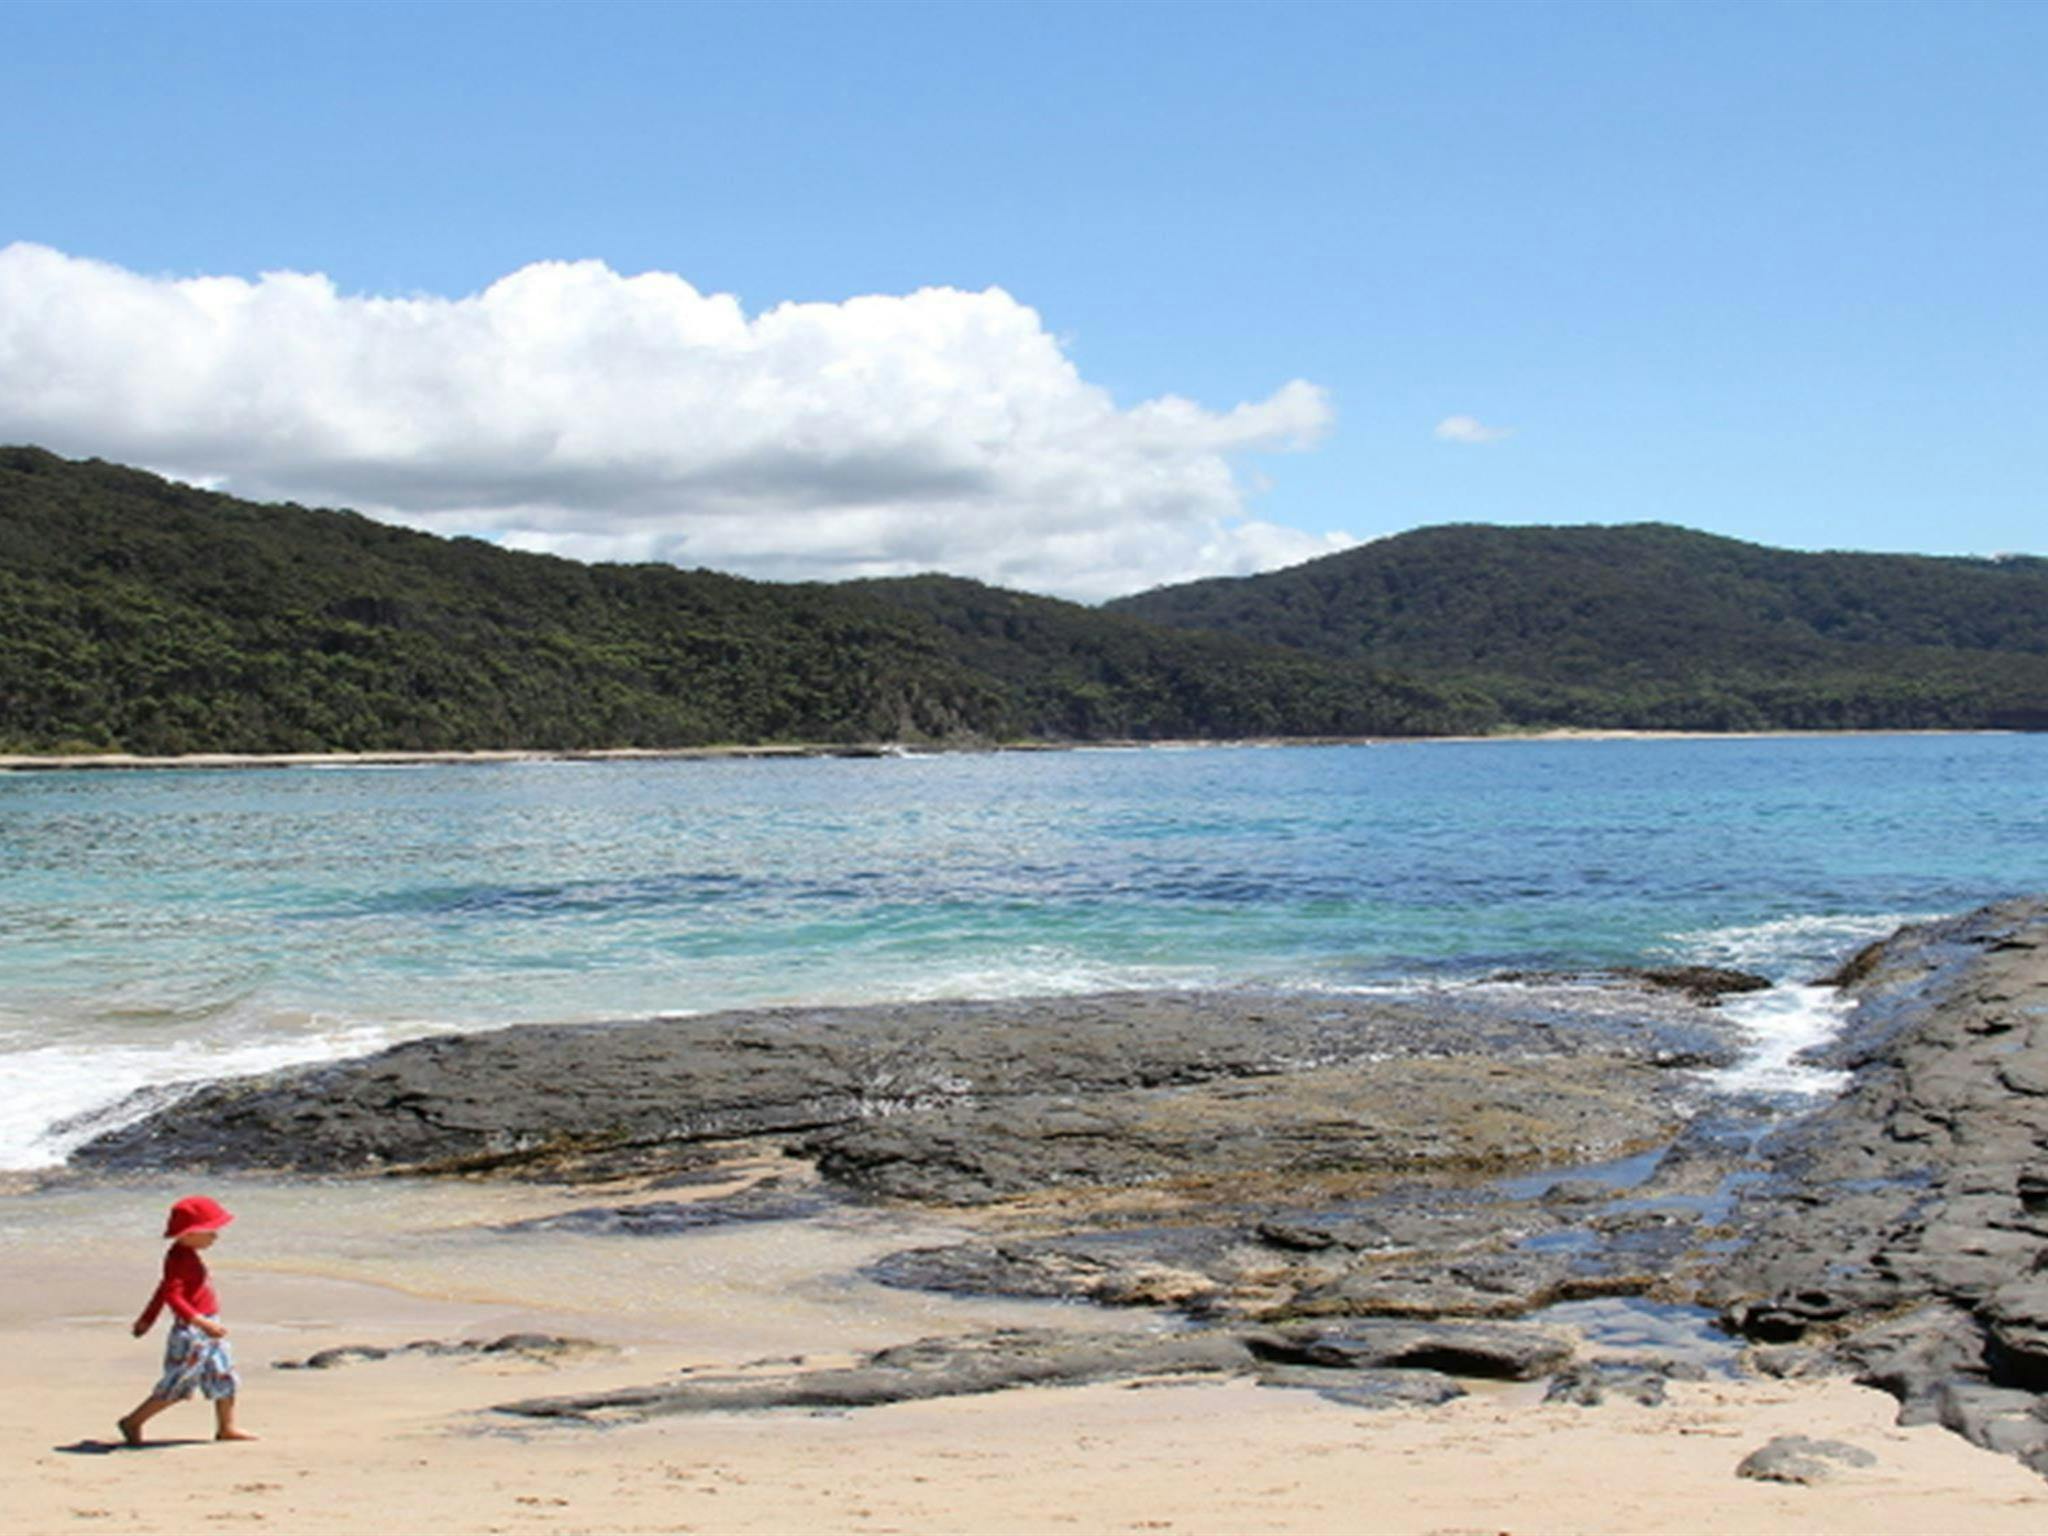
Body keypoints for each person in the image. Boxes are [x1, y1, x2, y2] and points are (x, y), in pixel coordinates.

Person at [118, 1194, 256, 1445]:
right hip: (192, 1332)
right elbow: (172, 1295)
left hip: (207, 1326)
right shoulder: (178, 1258)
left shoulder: (188, 1256)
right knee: (177, 1385)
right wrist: (201, 1323)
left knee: (224, 1376)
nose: (215, 1236)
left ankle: (226, 1427)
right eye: (210, 1231)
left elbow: (162, 1290)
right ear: (188, 1234)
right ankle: (133, 1421)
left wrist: (146, 1320)